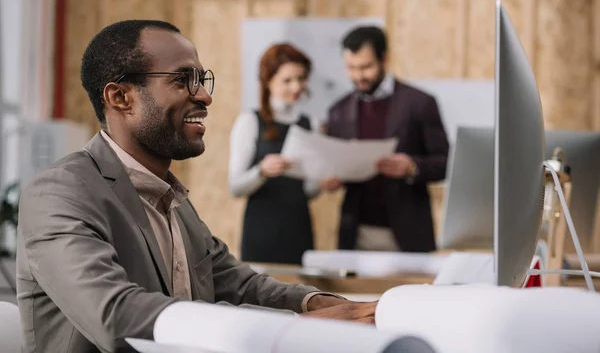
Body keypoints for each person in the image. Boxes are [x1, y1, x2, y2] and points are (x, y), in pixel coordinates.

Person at [16, 20, 376, 353]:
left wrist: (314, 303)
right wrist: (296, 324)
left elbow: (236, 282)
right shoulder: (59, 192)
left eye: (202, 80)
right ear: (120, 98)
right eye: (182, 79)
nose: (204, 96)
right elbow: (113, 315)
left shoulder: (173, 197)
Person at [321, 26, 449, 252]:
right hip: (356, 234)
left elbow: (447, 163)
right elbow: (332, 164)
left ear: (385, 59)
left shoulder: (420, 103)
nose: (358, 76)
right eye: (351, 68)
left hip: (408, 233)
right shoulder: (338, 111)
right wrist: (331, 179)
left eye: (366, 67)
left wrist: (412, 167)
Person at [229, 43, 319, 265]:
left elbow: (308, 191)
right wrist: (262, 170)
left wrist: (321, 181)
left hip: (299, 227)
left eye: (301, 78)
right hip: (262, 230)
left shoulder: (311, 124)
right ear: (268, 81)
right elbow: (235, 186)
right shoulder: (250, 122)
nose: (296, 86)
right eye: (287, 80)